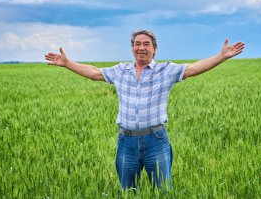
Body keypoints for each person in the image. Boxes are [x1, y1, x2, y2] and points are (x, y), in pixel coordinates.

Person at [44, 30, 245, 190]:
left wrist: (222, 56)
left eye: (146, 44)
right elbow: (95, 73)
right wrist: (67, 63)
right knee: (128, 190)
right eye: (137, 44)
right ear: (132, 48)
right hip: (126, 142)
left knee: (163, 191)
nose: (141, 47)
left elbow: (193, 68)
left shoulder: (166, 70)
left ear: (155, 49)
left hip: (155, 141)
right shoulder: (120, 71)